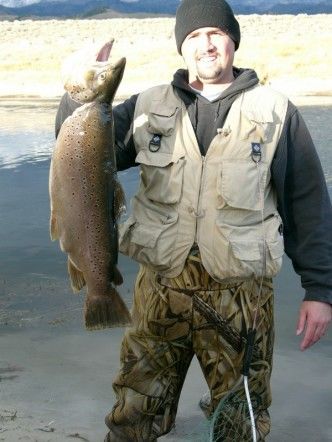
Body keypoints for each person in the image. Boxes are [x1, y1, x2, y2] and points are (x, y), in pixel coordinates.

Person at [55, 0, 332, 440]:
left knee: (240, 421)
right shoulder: (146, 104)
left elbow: (308, 206)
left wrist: (320, 290)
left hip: (242, 300)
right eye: (194, 36)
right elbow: (78, 152)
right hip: (158, 291)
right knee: (133, 415)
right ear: (181, 48)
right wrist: (75, 96)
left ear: (233, 41)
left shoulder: (277, 111)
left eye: (215, 34)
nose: (206, 44)